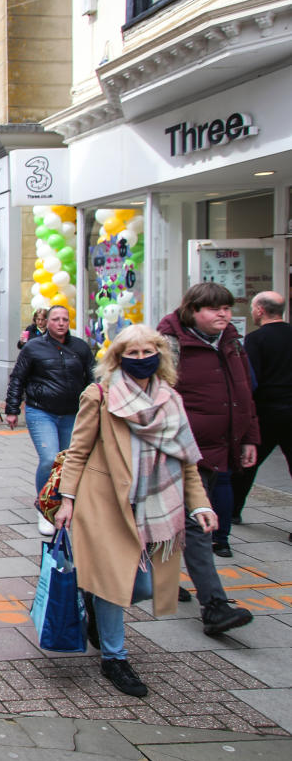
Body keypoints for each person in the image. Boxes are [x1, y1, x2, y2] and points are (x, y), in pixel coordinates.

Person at [54, 324, 216, 698]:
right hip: (106, 502)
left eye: (148, 353)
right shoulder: (99, 395)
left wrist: (201, 504)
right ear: (118, 358)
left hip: (154, 504)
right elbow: (77, 451)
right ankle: (115, 658)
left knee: (142, 586)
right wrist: (67, 500)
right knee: (116, 582)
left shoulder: (170, 399)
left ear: (160, 356)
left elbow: (187, 460)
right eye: (133, 354)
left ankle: (94, 601)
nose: (141, 360)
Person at [157, 282, 256, 635]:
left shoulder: (230, 342)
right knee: (197, 526)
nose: (223, 315)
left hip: (219, 450)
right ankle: (214, 605)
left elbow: (244, 392)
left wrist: (248, 437)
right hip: (183, 453)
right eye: (215, 309)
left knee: (180, 523)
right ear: (193, 310)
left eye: (227, 308)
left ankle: (161, 576)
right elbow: (157, 396)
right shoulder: (171, 343)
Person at [4, 305, 94, 536]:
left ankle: (66, 503)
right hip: (41, 411)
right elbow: (17, 379)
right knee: (49, 459)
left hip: (73, 413)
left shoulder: (80, 348)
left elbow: (92, 378)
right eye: (56, 319)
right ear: (47, 322)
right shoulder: (34, 347)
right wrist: (12, 409)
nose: (61, 323)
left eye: (65, 319)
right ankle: (45, 508)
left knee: (68, 461)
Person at [231, 291, 292, 525]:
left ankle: (234, 511)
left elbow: (250, 380)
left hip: (267, 412)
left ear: (260, 311)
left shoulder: (256, 340)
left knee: (247, 463)